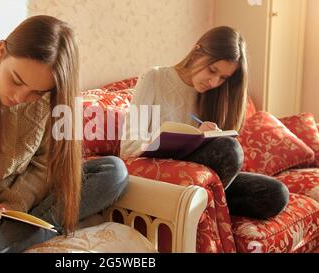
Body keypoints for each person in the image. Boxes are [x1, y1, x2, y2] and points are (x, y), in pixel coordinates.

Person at [0, 15, 128, 253]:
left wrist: (17, 203)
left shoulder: (54, 97)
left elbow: (46, 166)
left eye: (36, 92)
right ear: (1, 51)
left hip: (29, 200)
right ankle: (50, 228)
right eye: (16, 80)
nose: (20, 97)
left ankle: (17, 235)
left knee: (115, 172)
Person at [120, 26, 289, 220]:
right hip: (163, 175)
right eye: (212, 70)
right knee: (229, 150)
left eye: (223, 78)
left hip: (199, 180)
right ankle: (197, 210)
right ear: (197, 51)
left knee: (276, 194)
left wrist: (209, 137)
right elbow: (128, 146)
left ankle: (201, 208)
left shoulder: (212, 96)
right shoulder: (155, 78)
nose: (214, 82)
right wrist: (189, 136)